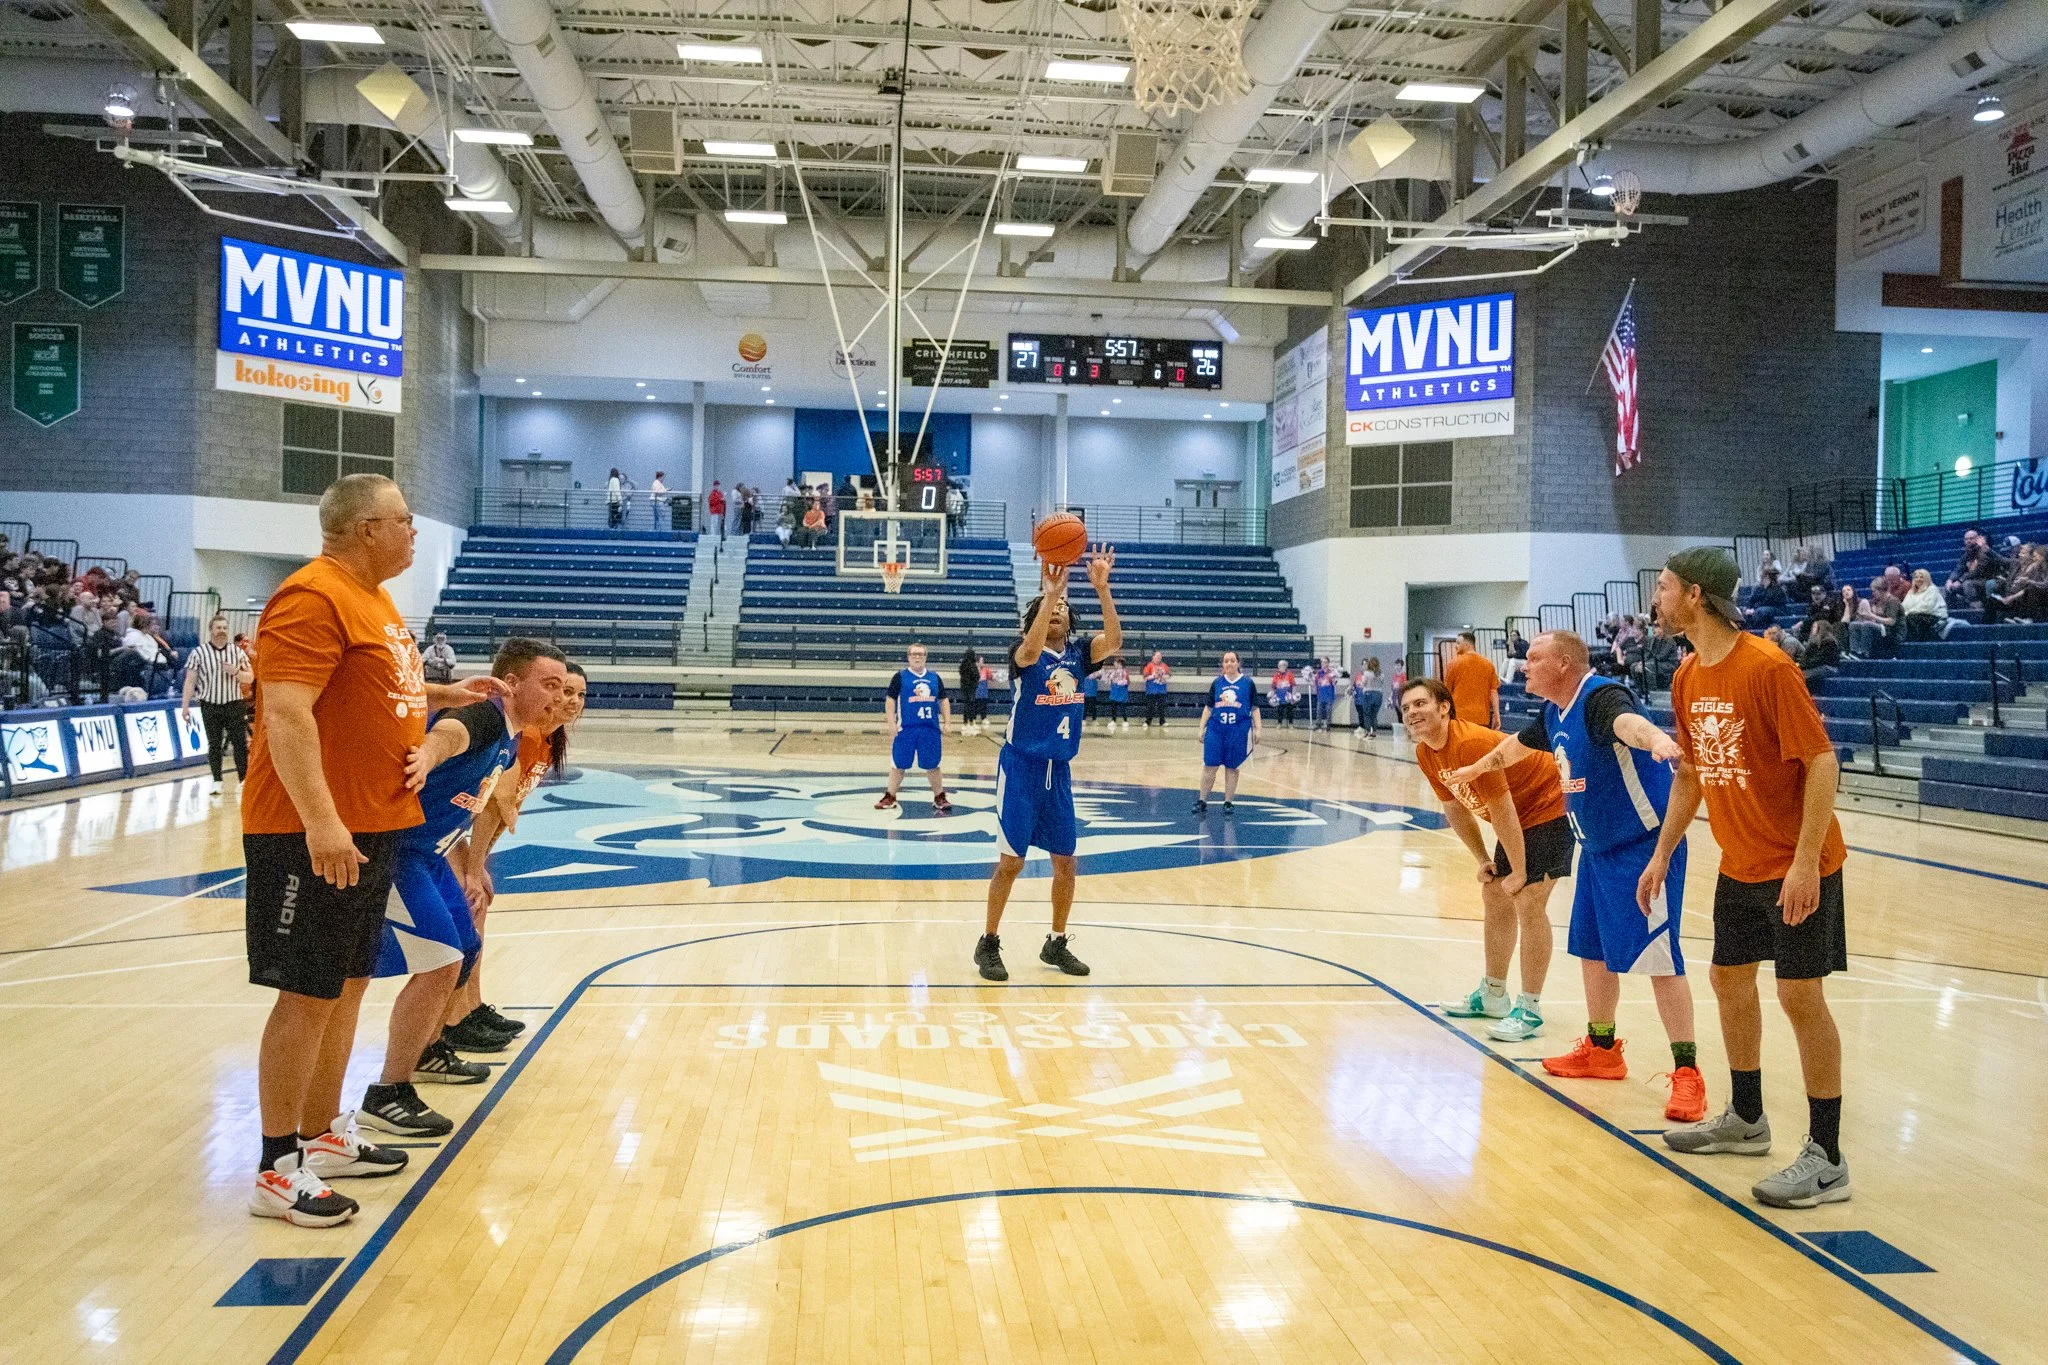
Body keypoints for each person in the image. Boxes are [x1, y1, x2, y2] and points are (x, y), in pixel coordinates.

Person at [240, 473, 507, 1228]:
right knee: (306, 993)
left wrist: (444, 696)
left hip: (374, 825)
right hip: (312, 832)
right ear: (366, 528)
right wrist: (322, 821)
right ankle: (276, 1168)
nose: (414, 531)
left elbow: (374, 691)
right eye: (404, 519)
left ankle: (324, 1133)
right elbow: (287, 714)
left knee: (348, 984)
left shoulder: (376, 602)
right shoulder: (312, 596)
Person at [1641, 547, 1852, 1209]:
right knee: (1728, 980)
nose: (1656, 598)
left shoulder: (1767, 667)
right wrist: (1662, 852)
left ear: (1695, 595)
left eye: (1665, 586)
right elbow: (1692, 772)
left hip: (1798, 865)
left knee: (1799, 996)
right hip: (1740, 862)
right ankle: (1747, 1118)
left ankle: (1827, 1156)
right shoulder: (1686, 676)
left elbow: (1822, 763)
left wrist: (1804, 862)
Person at [1445, 631, 1708, 1123]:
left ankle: (1688, 1072)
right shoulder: (1555, 712)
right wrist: (1475, 768)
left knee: (1660, 961)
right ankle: (1602, 1050)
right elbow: (1515, 747)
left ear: (1564, 663)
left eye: (1534, 658)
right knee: (1592, 952)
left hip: (1643, 849)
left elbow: (1629, 724)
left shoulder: (1600, 698)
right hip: (1596, 850)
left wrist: (1656, 740)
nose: (1524, 664)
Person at [357, 638, 568, 1139]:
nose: (558, 698)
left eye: (564, 689)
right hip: (398, 852)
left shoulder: (512, 738)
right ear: (511, 683)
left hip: (431, 854)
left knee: (466, 947)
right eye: (550, 685)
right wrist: (427, 755)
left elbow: (477, 805)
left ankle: (428, 1050)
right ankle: (387, 1093)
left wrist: (472, 862)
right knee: (441, 962)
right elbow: (449, 734)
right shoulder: (485, 717)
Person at [977, 546, 1120, 983]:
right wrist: (1051, 593)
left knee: (1066, 862)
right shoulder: (1024, 653)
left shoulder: (1079, 655)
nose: (1056, 611)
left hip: (1058, 771)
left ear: (1070, 621)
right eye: (1048, 609)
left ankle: (1056, 942)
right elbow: (1029, 649)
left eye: (1061, 608)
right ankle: (988, 942)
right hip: (1020, 767)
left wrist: (1102, 589)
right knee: (1011, 862)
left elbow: (1114, 642)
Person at [1402, 676, 1569, 1042]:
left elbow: (1501, 807)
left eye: (1420, 703)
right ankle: (1493, 994)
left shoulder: (1470, 743)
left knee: (1529, 899)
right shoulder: (1426, 753)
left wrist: (1520, 870)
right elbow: (1454, 808)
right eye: (1406, 707)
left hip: (1551, 803)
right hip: (1520, 816)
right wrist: (1482, 858)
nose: (1412, 712)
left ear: (1444, 707)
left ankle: (1530, 1008)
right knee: (1494, 892)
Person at [454, 663, 585, 1049]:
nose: (571, 701)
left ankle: (471, 1007)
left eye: (579, 694)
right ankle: (456, 1018)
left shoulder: (547, 741)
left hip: (462, 837)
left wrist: (481, 863)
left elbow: (506, 810)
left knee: (476, 914)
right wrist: (474, 868)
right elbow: (494, 804)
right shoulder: (526, 736)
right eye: (564, 691)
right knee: (469, 913)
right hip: (447, 832)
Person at [180, 613, 253, 795]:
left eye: (225, 628)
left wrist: (236, 672)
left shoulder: (237, 652)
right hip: (210, 704)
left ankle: (243, 779)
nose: (222, 631)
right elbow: (190, 681)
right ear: (211, 630)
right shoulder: (198, 653)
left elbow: (250, 677)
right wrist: (185, 706)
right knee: (214, 744)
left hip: (234, 703)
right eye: (218, 628)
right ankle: (217, 781)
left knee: (239, 743)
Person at [876, 642, 953, 814]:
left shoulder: (934, 677)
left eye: (920, 654)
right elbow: (890, 699)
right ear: (908, 657)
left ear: (925, 657)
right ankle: (890, 796)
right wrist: (891, 723)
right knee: (898, 764)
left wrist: (947, 722)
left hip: (930, 729)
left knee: (933, 765)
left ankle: (939, 797)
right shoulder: (900, 677)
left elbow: (943, 700)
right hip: (906, 729)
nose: (917, 657)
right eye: (914, 654)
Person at [1195, 651, 1261, 813]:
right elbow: (1209, 707)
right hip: (1216, 729)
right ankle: (1202, 800)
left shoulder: (1247, 683)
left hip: (1238, 730)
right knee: (1209, 766)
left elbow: (1254, 708)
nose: (1229, 663)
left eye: (1232, 660)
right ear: (1223, 665)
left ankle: (1228, 802)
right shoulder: (1217, 682)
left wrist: (1258, 728)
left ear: (1238, 663)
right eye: (1226, 661)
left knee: (1232, 767)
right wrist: (1201, 728)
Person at [1443, 632, 1501, 729]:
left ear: (1466, 645)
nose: (1455, 646)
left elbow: (1446, 692)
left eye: (1458, 643)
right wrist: (1496, 715)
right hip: (1482, 718)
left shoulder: (1453, 664)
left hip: (1460, 717)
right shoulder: (1488, 664)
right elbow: (1493, 692)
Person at [1848, 576, 1900, 659]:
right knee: (1854, 625)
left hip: (1892, 630)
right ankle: (1854, 651)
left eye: (1874, 591)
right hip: (1879, 626)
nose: (1872, 593)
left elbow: (1891, 621)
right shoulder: (1876, 601)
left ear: (1881, 590)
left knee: (1867, 625)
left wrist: (1871, 615)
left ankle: (1864, 653)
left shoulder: (1892, 601)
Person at [1902, 568, 1948, 641]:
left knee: (1912, 617)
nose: (1918, 579)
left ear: (1927, 578)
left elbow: (1927, 607)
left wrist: (1908, 612)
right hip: (1917, 615)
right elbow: (1904, 605)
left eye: (1921, 577)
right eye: (1916, 577)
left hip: (1935, 616)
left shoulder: (1932, 589)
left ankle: (1918, 641)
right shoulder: (1911, 591)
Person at [1351, 658, 1384, 734]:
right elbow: (1381, 683)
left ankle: (1368, 731)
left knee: (1367, 714)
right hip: (1378, 695)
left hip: (1369, 694)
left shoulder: (1366, 673)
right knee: (1374, 715)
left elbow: (1363, 684)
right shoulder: (1381, 674)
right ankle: (1374, 732)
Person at [1142, 650, 1171, 728]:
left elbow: (1168, 675)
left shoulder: (1164, 665)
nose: (1159, 657)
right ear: (1153, 657)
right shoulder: (1149, 665)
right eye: (1157, 656)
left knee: (1161, 707)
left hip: (1161, 690)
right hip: (1151, 690)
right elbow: (1145, 677)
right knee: (1150, 707)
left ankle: (1162, 721)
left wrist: (1163, 676)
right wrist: (1153, 676)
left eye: (1160, 656)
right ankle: (1148, 721)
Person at [958, 648, 982, 735]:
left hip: (964, 687)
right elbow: (977, 676)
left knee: (966, 705)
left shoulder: (962, 665)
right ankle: (971, 722)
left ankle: (965, 723)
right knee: (971, 705)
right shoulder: (972, 665)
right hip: (971, 688)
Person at [1105, 655, 1131, 731]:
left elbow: (1128, 681)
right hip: (1114, 691)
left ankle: (1125, 720)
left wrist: (1123, 682)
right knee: (1113, 707)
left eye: (1115, 662)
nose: (1114, 664)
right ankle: (1113, 720)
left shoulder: (1125, 672)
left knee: (1122, 707)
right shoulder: (1113, 672)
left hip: (1121, 691)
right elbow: (1109, 679)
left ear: (1119, 663)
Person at [1269, 660, 1297, 727]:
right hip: (1279, 696)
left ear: (1285, 666)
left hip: (1288, 696)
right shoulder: (1276, 675)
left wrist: (1293, 695)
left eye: (1281, 666)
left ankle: (1291, 724)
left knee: (1289, 710)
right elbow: (1273, 686)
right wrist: (1272, 695)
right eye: (1279, 666)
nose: (1280, 667)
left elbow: (1293, 685)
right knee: (1279, 710)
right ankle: (1279, 723)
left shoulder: (1290, 674)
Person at [1313, 658, 1338, 730]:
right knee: (1319, 710)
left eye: (1325, 662)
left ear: (1328, 663)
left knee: (1328, 710)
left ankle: (1328, 725)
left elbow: (1335, 683)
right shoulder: (1318, 673)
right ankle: (1318, 724)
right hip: (1321, 694)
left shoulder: (1332, 673)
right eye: (1323, 662)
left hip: (1329, 695)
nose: (1324, 664)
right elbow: (1315, 682)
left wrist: (1334, 678)